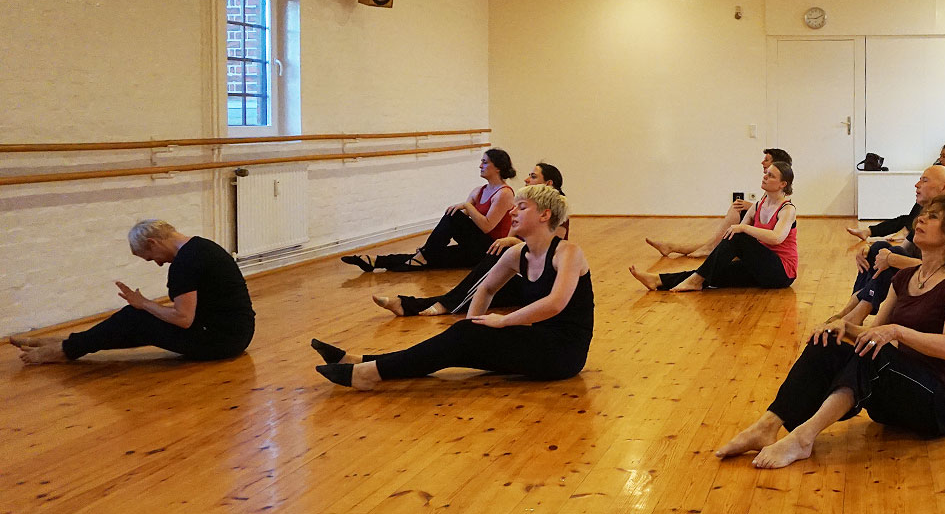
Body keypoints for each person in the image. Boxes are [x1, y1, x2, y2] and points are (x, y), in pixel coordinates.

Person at [714, 196, 945, 469]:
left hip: (940, 405)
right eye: (924, 214)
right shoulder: (904, 278)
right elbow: (874, 333)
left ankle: (803, 437)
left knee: (873, 357)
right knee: (827, 343)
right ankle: (767, 425)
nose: (922, 218)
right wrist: (843, 327)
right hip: (895, 399)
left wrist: (897, 332)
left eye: (934, 216)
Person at [311, 184, 592, 390]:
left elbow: (555, 303)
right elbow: (486, 289)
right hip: (536, 342)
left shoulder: (568, 253)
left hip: (564, 354)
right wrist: (474, 325)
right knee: (456, 342)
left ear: (544, 215)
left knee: (459, 339)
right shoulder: (516, 254)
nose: (512, 212)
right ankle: (362, 363)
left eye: (522, 207)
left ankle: (367, 371)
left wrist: (502, 322)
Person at [13, 220, 255, 364]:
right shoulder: (200, 246)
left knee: (134, 317)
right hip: (232, 335)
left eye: (151, 257)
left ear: (152, 243)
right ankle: (67, 343)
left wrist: (144, 303)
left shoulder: (186, 262)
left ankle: (63, 350)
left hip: (221, 341)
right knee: (136, 321)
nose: (158, 263)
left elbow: (183, 319)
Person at [374, 163, 568, 317]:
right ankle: (407, 302)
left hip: (534, 281)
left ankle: (428, 298)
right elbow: (511, 236)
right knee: (471, 291)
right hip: (515, 269)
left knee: (477, 282)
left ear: (549, 183)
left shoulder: (553, 212)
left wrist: (512, 244)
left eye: (533, 176)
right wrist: (509, 242)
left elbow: (548, 253)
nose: (526, 179)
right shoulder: (524, 206)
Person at [825, 165, 945, 330]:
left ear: (944, 187)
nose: (917, 185)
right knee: (879, 248)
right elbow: (905, 245)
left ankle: (856, 315)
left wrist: (891, 258)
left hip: (931, 286)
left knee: (890, 255)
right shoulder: (923, 212)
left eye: (924, 180)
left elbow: (942, 271)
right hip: (917, 274)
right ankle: (852, 310)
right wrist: (871, 249)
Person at [630, 162, 798, 292]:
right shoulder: (759, 205)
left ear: (782, 184)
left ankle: (693, 281)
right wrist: (726, 253)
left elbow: (776, 237)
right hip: (760, 267)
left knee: (737, 235)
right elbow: (736, 235)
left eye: (771, 176)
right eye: (766, 173)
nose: (765, 177)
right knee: (710, 272)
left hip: (781, 273)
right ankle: (658, 280)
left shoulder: (787, 209)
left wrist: (744, 229)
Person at [342, 148, 516, 272]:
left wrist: (467, 206)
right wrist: (431, 245)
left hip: (491, 250)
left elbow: (486, 226)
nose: (480, 166)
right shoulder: (478, 191)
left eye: (485, 162)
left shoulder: (504, 193)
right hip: (474, 249)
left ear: (498, 167)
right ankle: (375, 261)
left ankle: (424, 253)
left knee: (451, 218)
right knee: (433, 256)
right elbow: (456, 222)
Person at [646, 148, 791, 258]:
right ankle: (672, 247)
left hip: (766, 242)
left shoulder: (781, 195)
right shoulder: (770, 186)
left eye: (766, 160)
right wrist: (751, 207)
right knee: (718, 241)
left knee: (733, 214)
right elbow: (764, 207)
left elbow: (773, 215)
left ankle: (700, 247)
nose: (762, 162)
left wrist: (749, 209)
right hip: (759, 233)